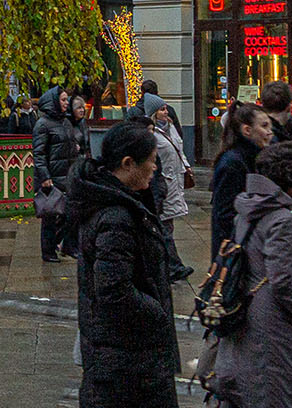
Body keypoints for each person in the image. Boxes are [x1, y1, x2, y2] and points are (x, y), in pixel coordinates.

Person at [67, 119, 180, 408]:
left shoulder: (121, 204)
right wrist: (157, 313)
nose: (155, 169)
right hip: (127, 365)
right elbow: (114, 289)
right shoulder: (116, 216)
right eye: (152, 161)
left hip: (126, 360)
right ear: (128, 163)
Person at [210, 143, 292, 408]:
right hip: (271, 317)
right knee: (278, 389)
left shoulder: (248, 208)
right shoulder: (281, 219)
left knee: (250, 386)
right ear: (291, 178)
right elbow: (282, 279)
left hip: (245, 304)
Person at [209, 102, 274, 266]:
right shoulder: (233, 163)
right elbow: (225, 214)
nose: (269, 132)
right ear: (247, 130)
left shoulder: (254, 157)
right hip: (235, 251)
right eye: (264, 126)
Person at [137, 95, 192, 282]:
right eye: (161, 109)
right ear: (153, 114)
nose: (166, 112)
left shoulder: (170, 129)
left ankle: (168, 266)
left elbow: (179, 149)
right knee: (164, 227)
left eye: (166, 108)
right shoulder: (151, 134)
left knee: (166, 226)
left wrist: (185, 166)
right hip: (163, 185)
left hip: (173, 182)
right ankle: (172, 266)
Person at [33, 88, 84, 262]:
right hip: (52, 177)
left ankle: (68, 245)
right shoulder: (43, 124)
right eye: (62, 100)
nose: (66, 103)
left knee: (71, 213)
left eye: (66, 100)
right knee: (50, 215)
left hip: (67, 175)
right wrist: (44, 176)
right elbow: (39, 153)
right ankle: (48, 250)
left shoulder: (65, 122)